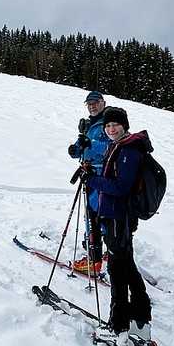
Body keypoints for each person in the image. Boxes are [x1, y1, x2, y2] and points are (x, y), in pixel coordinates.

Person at [83, 106, 153, 345]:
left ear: (125, 126)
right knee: (128, 269)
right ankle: (141, 323)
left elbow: (121, 187)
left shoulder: (127, 151)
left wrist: (91, 179)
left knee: (117, 271)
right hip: (118, 218)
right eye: (108, 126)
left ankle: (118, 326)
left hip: (119, 219)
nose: (112, 129)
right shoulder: (120, 147)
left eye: (116, 125)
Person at [68, 91, 111, 274]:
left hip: (101, 174)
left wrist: (91, 144)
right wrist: (75, 150)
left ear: (103, 103)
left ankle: (94, 260)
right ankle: (105, 252)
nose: (92, 106)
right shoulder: (90, 124)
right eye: (89, 104)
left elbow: (113, 146)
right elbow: (84, 146)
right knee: (95, 213)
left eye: (95, 103)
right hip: (90, 173)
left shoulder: (108, 122)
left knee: (95, 215)